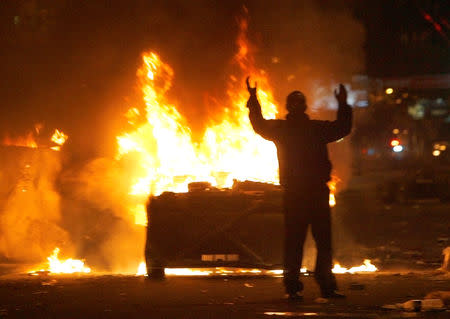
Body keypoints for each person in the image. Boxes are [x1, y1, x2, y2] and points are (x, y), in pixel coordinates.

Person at [246, 77, 352, 300]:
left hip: (295, 195)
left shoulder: (281, 130)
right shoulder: (316, 129)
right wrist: (342, 104)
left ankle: (293, 287)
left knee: (294, 242)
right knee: (323, 242)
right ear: (305, 107)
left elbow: (258, 125)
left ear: (288, 108)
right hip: (316, 193)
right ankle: (326, 286)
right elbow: (343, 127)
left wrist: (254, 99)